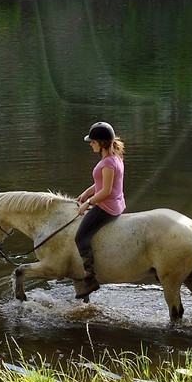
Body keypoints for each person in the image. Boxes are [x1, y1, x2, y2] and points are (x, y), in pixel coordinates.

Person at [73, 120, 125, 299]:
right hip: (114, 202)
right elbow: (100, 184)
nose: (91, 144)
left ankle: (90, 279)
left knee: (80, 237)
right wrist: (86, 193)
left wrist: (88, 204)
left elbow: (106, 190)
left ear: (101, 143)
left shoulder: (108, 163)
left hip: (107, 206)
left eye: (93, 142)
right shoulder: (113, 158)